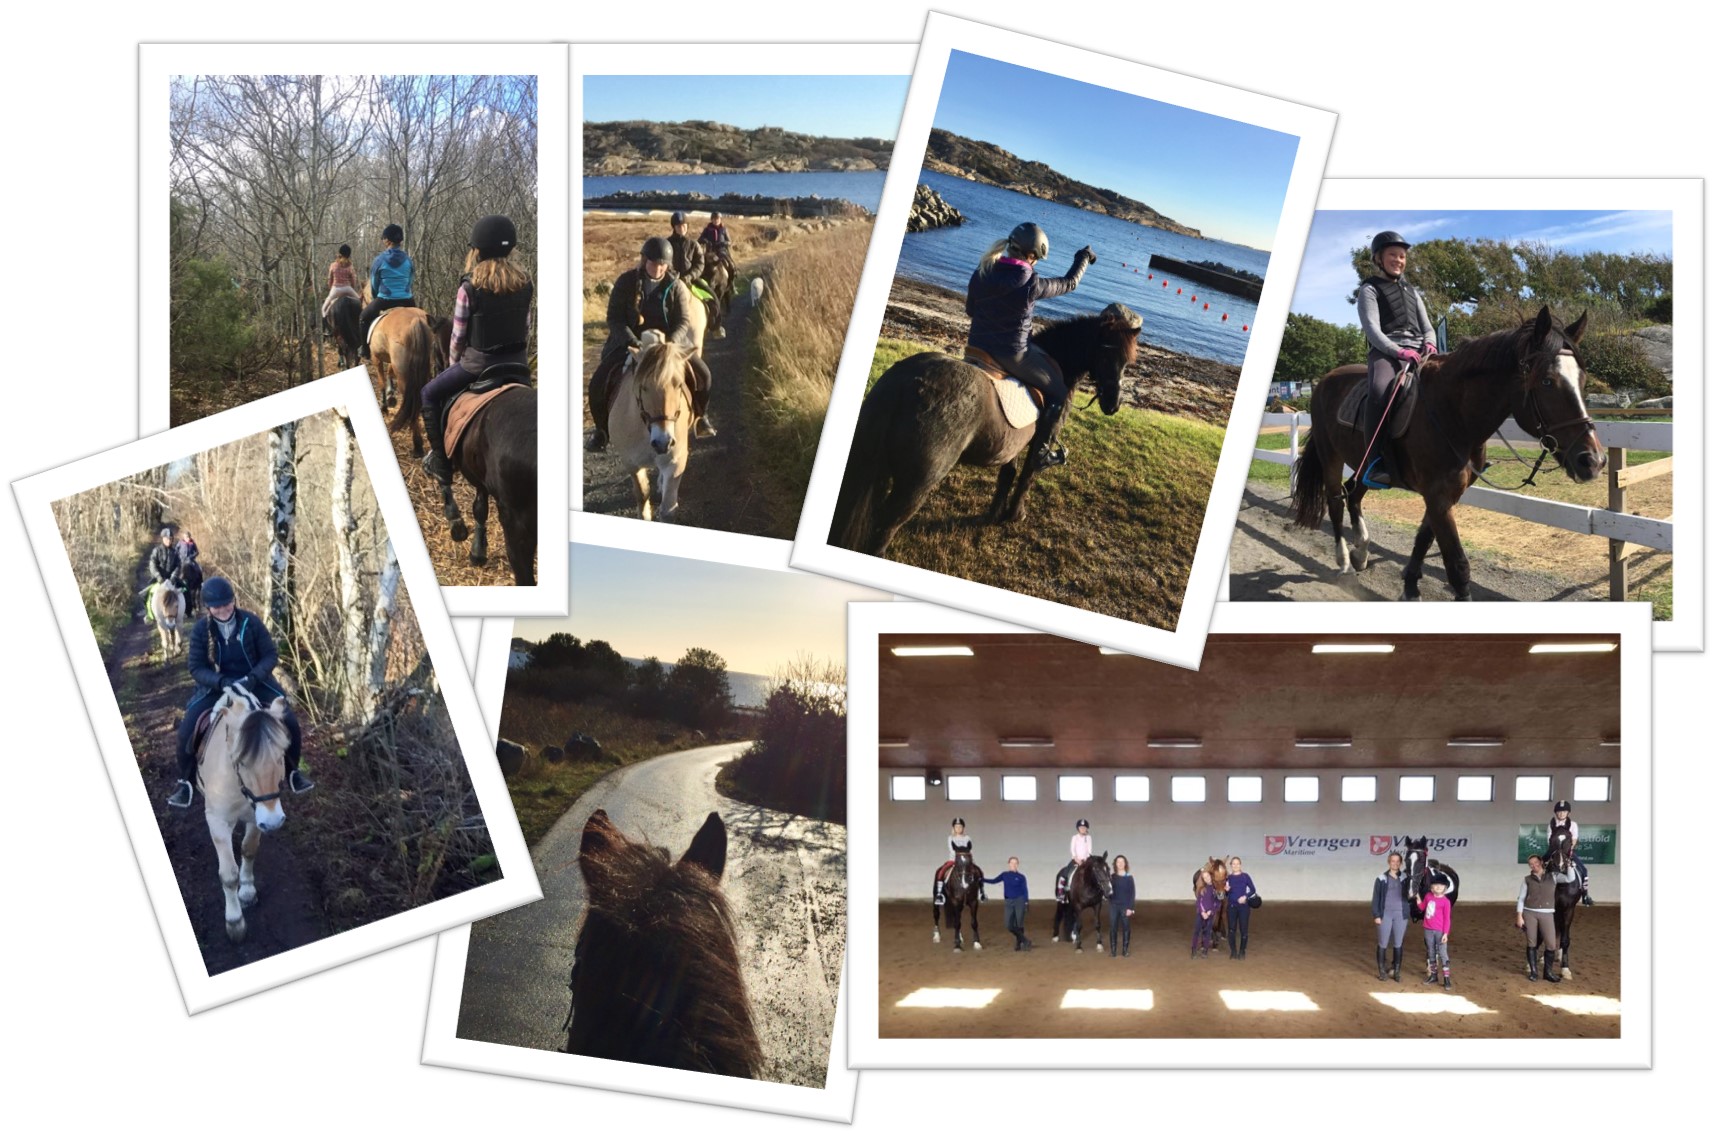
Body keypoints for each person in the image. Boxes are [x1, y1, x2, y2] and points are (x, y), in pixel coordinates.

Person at [166, 577, 313, 809]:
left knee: (290, 721)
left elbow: (270, 655)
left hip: (256, 681)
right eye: (217, 606)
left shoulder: (252, 622)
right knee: (187, 728)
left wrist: (253, 678)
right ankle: (185, 783)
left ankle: (294, 772)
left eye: (227, 604)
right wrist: (221, 681)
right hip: (217, 687)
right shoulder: (200, 631)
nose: (224, 610)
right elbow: (196, 667)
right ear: (208, 608)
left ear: (233, 601)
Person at [965, 222, 1096, 469]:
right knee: (1059, 392)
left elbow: (971, 310)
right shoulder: (1031, 283)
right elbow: (1070, 283)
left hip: (976, 347)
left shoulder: (982, 269)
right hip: (1012, 355)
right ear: (1032, 256)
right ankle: (1042, 453)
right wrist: (1083, 258)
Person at [419, 215, 533, 485]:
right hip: (518, 365)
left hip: (478, 365)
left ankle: (441, 463)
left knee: (429, 393)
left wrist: (453, 365)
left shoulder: (469, 288)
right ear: (511, 249)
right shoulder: (525, 283)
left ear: (477, 251)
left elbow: (457, 337)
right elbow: (526, 329)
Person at [587, 235, 717, 450]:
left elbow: (683, 320)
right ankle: (601, 431)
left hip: (667, 346)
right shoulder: (626, 282)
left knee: (704, 374)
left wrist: (671, 343)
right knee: (597, 382)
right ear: (644, 260)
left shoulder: (675, 286)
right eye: (654, 263)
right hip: (631, 342)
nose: (658, 269)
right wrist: (632, 341)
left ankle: (701, 418)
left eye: (663, 264)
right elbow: (614, 318)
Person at [1354, 231, 1436, 489]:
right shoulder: (1369, 290)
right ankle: (1375, 461)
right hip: (1387, 352)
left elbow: (1428, 326)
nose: (1399, 260)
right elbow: (1372, 330)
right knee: (1379, 391)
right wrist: (1399, 352)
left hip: (1421, 352)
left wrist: (1430, 343)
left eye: (1402, 256)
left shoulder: (1413, 292)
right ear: (1379, 258)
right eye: (1393, 255)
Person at [358, 223, 418, 359]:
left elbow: (374, 283)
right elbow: (410, 280)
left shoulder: (379, 260)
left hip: (385, 299)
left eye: (383, 238)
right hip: (407, 299)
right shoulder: (408, 260)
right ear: (400, 241)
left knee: (363, 318)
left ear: (387, 241)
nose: (383, 241)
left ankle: (365, 350)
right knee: (421, 320)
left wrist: (375, 297)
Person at [1516, 854, 1566, 983]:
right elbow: (1521, 898)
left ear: (1541, 862)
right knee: (1531, 943)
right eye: (1531, 864)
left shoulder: (1553, 876)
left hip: (1547, 913)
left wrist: (1571, 866)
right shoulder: (1527, 879)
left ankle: (1548, 972)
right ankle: (1533, 971)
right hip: (1529, 913)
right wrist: (1519, 916)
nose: (1534, 865)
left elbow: (1569, 879)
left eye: (1536, 863)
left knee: (1551, 944)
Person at [1371, 851, 1408, 982]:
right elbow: (1376, 898)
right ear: (1389, 862)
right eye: (1393, 861)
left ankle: (1396, 971)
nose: (1395, 863)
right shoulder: (1381, 878)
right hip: (1385, 914)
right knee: (1383, 943)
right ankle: (1382, 971)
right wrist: (1376, 914)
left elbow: (1413, 892)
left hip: (1401, 914)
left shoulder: (1405, 878)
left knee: (1398, 943)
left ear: (1401, 863)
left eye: (1398, 861)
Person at [982, 856, 1032, 951]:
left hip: (1019, 900)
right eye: (1012, 863)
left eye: (1015, 863)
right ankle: (1025, 940)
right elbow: (994, 881)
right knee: (1008, 924)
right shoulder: (1004, 875)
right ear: (1009, 864)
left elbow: (1025, 890)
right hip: (1009, 901)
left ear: (1018, 865)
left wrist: (1026, 902)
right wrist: (982, 879)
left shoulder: (1021, 877)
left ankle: (1018, 944)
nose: (1013, 865)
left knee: (1019, 923)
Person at [1549, 799, 1593, 903]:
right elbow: (1549, 839)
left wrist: (1569, 850)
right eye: (1559, 812)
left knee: (1584, 870)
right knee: (1539, 865)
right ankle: (1534, 891)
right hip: (1553, 850)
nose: (1561, 813)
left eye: (1564, 811)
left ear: (1568, 813)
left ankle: (1585, 895)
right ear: (1556, 813)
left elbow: (1574, 839)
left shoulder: (1573, 824)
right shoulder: (1551, 824)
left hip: (1568, 851)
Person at [1418, 871, 1454, 990]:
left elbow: (1447, 919)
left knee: (1443, 953)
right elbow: (1422, 907)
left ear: (1445, 887)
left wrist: (1445, 933)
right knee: (1431, 952)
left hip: (1439, 931)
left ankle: (1446, 978)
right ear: (1432, 887)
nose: (1438, 887)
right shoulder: (1428, 896)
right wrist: (1417, 897)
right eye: (1436, 885)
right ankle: (1433, 975)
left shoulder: (1446, 902)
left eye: (1441, 885)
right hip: (1428, 929)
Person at [933, 818, 979, 905]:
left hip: (966, 861)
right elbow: (951, 850)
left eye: (960, 827)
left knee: (979, 871)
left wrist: (970, 860)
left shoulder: (967, 837)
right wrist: (958, 858)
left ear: (963, 828)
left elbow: (969, 849)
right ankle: (939, 894)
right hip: (953, 860)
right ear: (953, 828)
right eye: (956, 827)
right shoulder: (951, 838)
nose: (958, 828)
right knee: (941, 872)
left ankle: (982, 892)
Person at [1225, 855, 1258, 960]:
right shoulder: (1228, 878)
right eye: (1233, 864)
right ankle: (1233, 952)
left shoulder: (1245, 876)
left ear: (1240, 865)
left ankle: (1242, 951)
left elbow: (1253, 890)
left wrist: (1245, 896)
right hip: (1231, 907)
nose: (1235, 865)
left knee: (1244, 930)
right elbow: (1226, 895)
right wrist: (1226, 890)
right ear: (1231, 866)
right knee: (1231, 930)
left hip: (1244, 907)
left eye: (1237, 864)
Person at [321, 243, 362, 321]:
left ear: (339, 253)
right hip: (347, 288)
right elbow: (353, 279)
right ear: (348, 255)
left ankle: (325, 319)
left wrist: (331, 288)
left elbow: (330, 279)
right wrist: (351, 288)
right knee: (360, 302)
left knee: (324, 308)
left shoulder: (333, 265)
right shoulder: (350, 266)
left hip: (336, 289)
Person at [1108, 854, 1136, 958]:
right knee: (1113, 928)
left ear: (1125, 864)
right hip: (1114, 906)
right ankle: (1113, 951)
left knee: (1126, 928)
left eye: (1122, 862)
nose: (1120, 864)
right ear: (1115, 864)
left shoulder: (1129, 878)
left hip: (1125, 906)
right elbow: (1108, 891)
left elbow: (1132, 894)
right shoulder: (1112, 877)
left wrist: (1130, 908)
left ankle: (1125, 950)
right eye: (1118, 862)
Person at [1193, 867, 1219, 958]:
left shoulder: (1215, 889)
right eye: (1204, 877)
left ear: (1210, 876)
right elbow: (1199, 901)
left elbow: (1217, 902)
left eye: (1208, 876)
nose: (1207, 878)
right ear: (1203, 879)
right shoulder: (1201, 888)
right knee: (1197, 931)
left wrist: (1211, 911)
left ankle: (1205, 951)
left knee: (1207, 932)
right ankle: (1194, 950)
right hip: (1201, 913)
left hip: (1210, 914)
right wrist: (1203, 911)